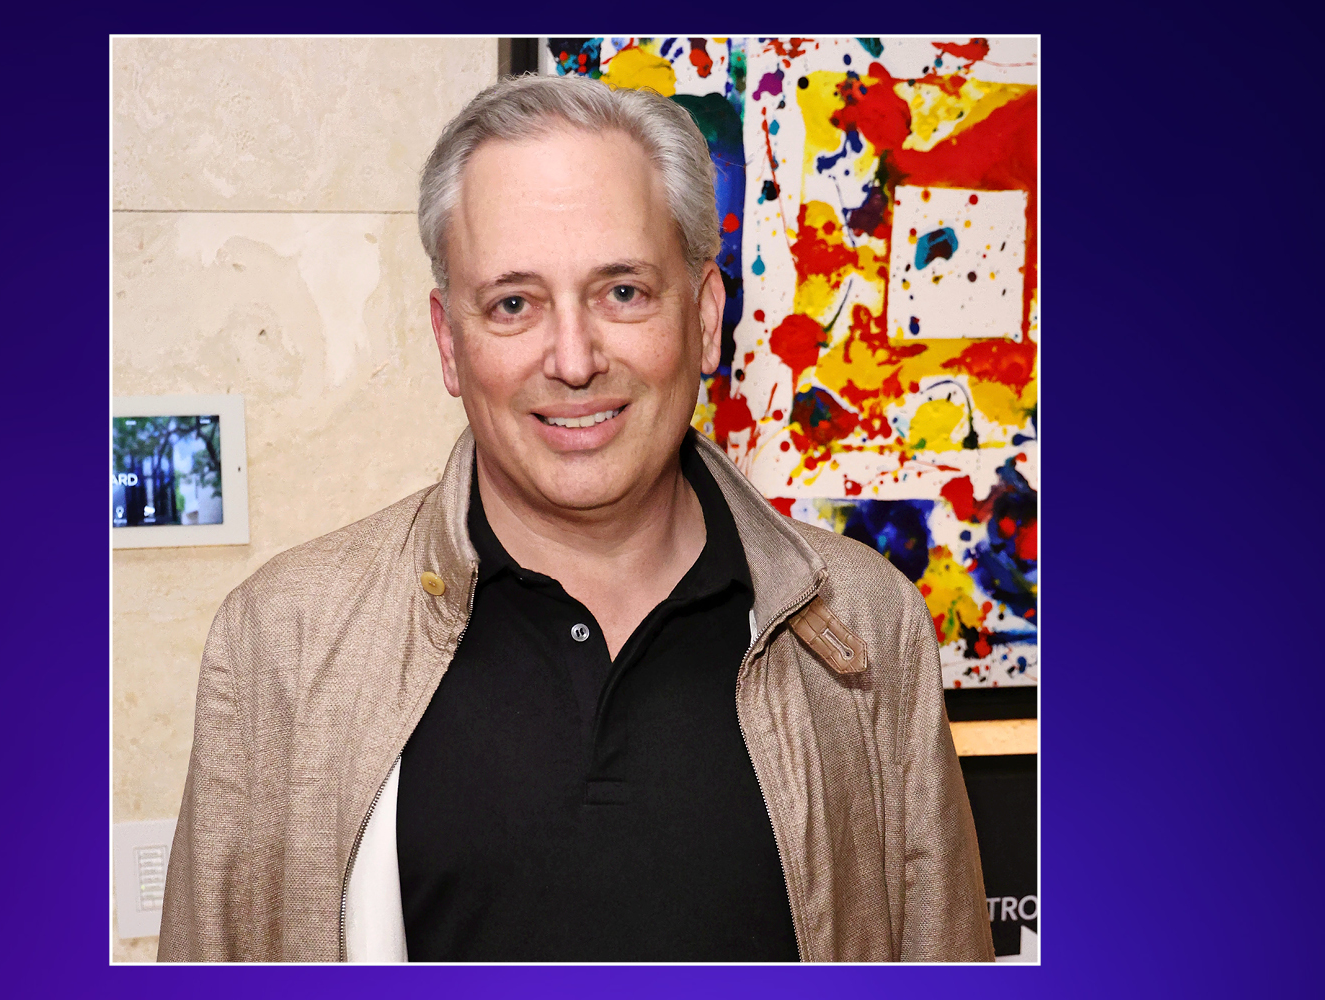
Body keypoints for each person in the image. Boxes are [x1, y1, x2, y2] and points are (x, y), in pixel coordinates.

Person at [157, 74, 994, 963]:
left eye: (623, 292)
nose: (573, 358)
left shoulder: (868, 626)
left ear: (706, 318)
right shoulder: (283, 640)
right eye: (513, 303)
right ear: (449, 341)